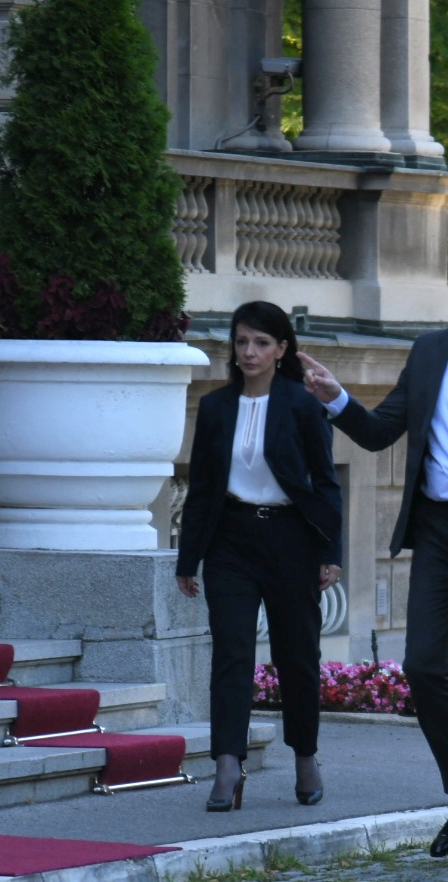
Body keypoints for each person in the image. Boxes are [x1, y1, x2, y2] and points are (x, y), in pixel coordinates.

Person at [295, 244, 448, 864]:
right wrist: (334, 398)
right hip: (438, 526)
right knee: (422, 667)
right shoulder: (430, 352)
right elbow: (377, 431)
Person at [176, 300, 343, 813]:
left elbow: (325, 483)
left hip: (291, 538)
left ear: (281, 350)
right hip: (231, 540)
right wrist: (189, 559)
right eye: (242, 341)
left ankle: (305, 755)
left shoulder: (301, 404)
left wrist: (329, 550)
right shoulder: (216, 407)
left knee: (298, 655)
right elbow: (201, 487)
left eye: (261, 343)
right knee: (231, 652)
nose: (249, 352)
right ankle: (228, 764)